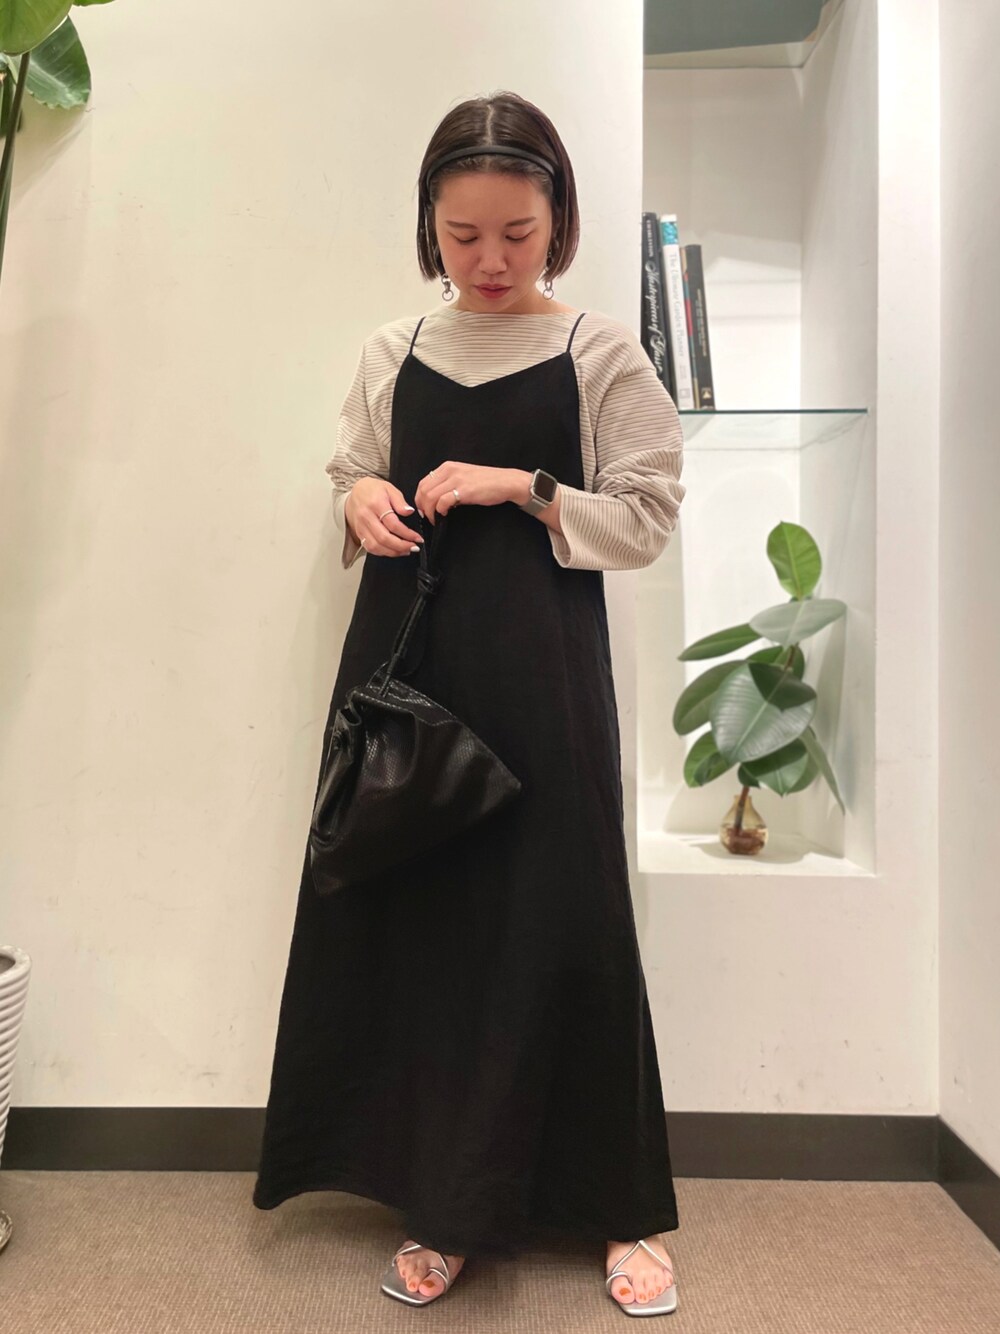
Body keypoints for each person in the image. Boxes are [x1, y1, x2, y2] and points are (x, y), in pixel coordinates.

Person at [253, 90, 686, 1317]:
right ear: (428, 228)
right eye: (462, 235)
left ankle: (618, 1202)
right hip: (406, 670)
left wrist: (524, 485)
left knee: (568, 918)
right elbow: (351, 469)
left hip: (542, 680)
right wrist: (355, 500)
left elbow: (646, 519)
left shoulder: (601, 352)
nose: (490, 259)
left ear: (560, 222)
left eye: (517, 232)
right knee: (424, 926)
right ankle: (437, 1201)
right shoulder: (392, 350)